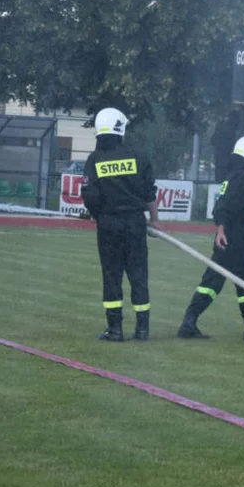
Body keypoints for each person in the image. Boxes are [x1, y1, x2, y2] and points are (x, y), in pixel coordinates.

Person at [177, 135, 244, 343]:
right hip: (232, 239)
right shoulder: (243, 179)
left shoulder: (235, 177)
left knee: (212, 282)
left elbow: (238, 211)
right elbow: (225, 208)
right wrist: (223, 231)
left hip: (231, 235)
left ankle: (189, 322)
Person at [80, 107, 160, 342]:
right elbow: (149, 192)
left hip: (108, 225)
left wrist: (94, 213)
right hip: (135, 223)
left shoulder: (94, 159)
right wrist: (154, 220)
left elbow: (89, 194)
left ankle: (115, 329)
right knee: (138, 275)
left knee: (112, 275)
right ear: (121, 129)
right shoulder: (138, 156)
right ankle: (142, 329)